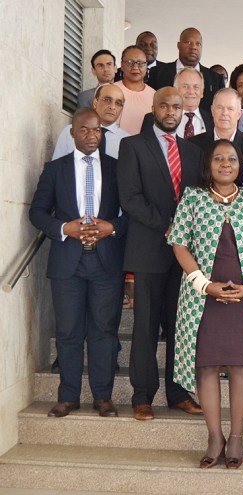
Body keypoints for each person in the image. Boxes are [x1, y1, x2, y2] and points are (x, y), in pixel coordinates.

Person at [168, 139, 243, 469]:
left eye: (232, 159)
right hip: (202, 297)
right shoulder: (193, 197)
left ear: (240, 165)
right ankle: (215, 437)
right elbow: (179, 243)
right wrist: (204, 284)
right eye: (218, 158)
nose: (226, 164)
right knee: (206, 366)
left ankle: (237, 437)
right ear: (208, 165)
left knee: (241, 366)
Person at [29, 108, 127, 418]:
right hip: (67, 263)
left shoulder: (117, 168)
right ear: (72, 133)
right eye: (84, 129)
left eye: (96, 130)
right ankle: (68, 396)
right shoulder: (54, 170)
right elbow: (37, 212)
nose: (91, 135)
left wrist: (111, 227)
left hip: (106, 261)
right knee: (68, 331)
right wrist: (64, 228)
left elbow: (131, 213)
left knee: (104, 330)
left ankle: (103, 397)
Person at [117, 87, 204, 421]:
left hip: (185, 256)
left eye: (176, 107)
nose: (170, 111)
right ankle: (142, 395)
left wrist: (187, 232)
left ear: (184, 111)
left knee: (181, 327)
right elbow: (130, 197)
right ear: (153, 108)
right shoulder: (132, 146)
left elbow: (197, 200)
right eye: (164, 105)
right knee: (146, 327)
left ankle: (178, 393)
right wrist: (169, 226)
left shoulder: (193, 152)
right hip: (149, 249)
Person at [147, 27, 224, 110]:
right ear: (178, 45)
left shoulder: (216, 79)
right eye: (188, 42)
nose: (193, 47)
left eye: (198, 44)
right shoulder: (157, 73)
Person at [188, 88, 243, 165]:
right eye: (220, 108)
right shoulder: (193, 145)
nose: (224, 113)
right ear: (212, 110)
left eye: (230, 109)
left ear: (239, 113)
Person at [53, 83, 129, 159]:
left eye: (118, 103)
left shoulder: (127, 141)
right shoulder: (70, 132)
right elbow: (57, 165)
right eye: (107, 100)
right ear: (95, 103)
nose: (112, 107)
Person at [141, 68, 214, 137]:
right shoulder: (152, 118)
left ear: (202, 92)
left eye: (196, 87)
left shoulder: (213, 119)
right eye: (185, 86)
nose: (191, 92)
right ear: (175, 90)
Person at [114, 45, 155, 135]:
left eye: (140, 63)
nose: (135, 67)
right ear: (122, 65)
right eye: (130, 62)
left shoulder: (154, 96)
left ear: (146, 65)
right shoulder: (111, 90)